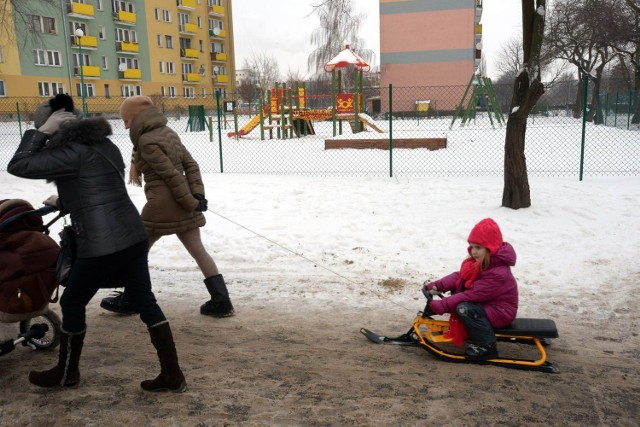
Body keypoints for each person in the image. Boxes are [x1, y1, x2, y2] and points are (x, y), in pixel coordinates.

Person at [7, 94, 186, 392]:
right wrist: (65, 200)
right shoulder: (105, 145)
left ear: (55, 129)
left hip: (102, 243)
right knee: (145, 300)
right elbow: (97, 186)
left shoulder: (71, 152)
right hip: (132, 235)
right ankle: (172, 373)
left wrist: (40, 133)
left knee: (72, 300)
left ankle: (66, 374)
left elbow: (19, 164)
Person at [99, 95, 234, 318]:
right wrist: (197, 195)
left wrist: (192, 201)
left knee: (137, 252)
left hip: (162, 204)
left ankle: (131, 299)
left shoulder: (145, 141)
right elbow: (190, 165)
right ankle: (222, 301)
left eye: (126, 120)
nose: (124, 125)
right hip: (183, 199)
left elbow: (170, 176)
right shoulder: (169, 133)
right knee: (198, 251)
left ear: (137, 117)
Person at [422, 218, 518, 361]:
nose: (473, 252)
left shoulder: (498, 273)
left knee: (465, 308)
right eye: (472, 247)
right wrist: (438, 286)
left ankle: (485, 346)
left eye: (478, 248)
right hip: (488, 305)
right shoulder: (480, 263)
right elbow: (460, 277)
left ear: (490, 249)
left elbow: (473, 295)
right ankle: (475, 333)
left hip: (501, 312)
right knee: (463, 301)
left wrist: (444, 304)